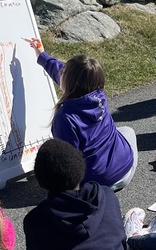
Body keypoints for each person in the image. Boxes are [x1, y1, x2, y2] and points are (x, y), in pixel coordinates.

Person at [27, 39, 137, 191]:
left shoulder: (65, 116)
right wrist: (42, 55)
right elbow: (64, 71)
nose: (61, 72)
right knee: (128, 131)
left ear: (70, 82)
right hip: (127, 167)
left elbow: (68, 161)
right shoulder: (99, 94)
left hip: (99, 184)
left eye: (64, 72)